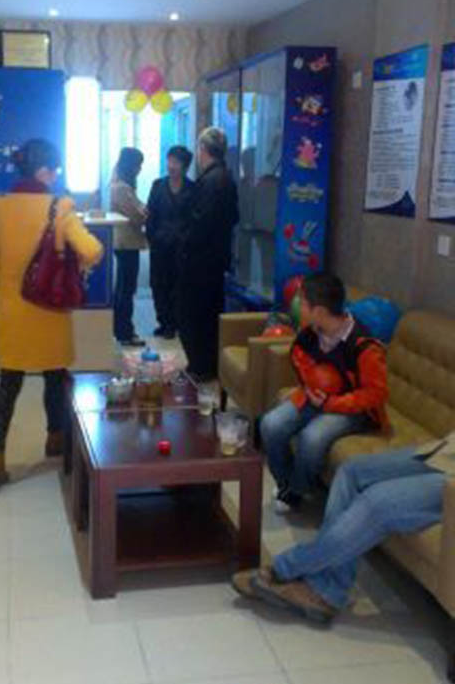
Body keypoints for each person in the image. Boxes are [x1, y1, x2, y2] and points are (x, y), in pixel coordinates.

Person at [0, 139, 102, 493]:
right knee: (55, 377)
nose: (56, 176)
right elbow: (92, 250)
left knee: (8, 386)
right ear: (45, 171)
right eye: (55, 170)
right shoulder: (59, 207)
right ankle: (55, 440)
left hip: (12, 316)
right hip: (50, 313)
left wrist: (11, 289)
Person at [232, 438, 450, 621]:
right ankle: (329, 588)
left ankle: (285, 569)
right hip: (448, 451)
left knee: (377, 501)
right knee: (351, 471)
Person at [260, 272, 389, 514]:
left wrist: (331, 403)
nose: (297, 307)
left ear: (318, 311)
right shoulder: (310, 332)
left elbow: (376, 394)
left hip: (354, 409)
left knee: (312, 437)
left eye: (302, 303)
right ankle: (286, 484)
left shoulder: (364, 346)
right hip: (318, 398)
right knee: (270, 424)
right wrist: (309, 389)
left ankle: (297, 491)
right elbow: (302, 362)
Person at [177, 127, 239, 380]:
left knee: (194, 315)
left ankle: (200, 367)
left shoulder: (211, 181)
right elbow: (234, 217)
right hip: (217, 258)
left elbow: (200, 224)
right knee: (210, 313)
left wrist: (183, 243)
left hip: (200, 262)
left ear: (203, 149)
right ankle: (207, 365)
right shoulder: (227, 178)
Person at [146, 145, 194, 339]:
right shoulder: (158, 185)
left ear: (185, 166)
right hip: (160, 246)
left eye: (176, 162)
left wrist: (186, 240)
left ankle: (176, 323)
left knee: (179, 286)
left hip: (182, 248)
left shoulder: (193, 189)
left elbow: (194, 219)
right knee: (158, 284)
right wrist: (153, 238)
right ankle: (164, 322)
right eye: (170, 161)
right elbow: (150, 215)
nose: (171, 166)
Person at [110, 147, 148, 347]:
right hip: (126, 243)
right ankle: (125, 331)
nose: (139, 169)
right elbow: (138, 216)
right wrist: (145, 212)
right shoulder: (122, 188)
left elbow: (140, 208)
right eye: (138, 165)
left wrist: (143, 210)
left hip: (125, 243)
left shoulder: (121, 185)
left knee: (123, 288)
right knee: (126, 289)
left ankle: (121, 330)